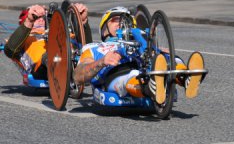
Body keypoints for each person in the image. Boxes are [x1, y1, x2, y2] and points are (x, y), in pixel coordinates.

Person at [73, 6, 206, 105]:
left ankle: (185, 77)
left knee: (169, 58)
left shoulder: (140, 42)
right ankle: (150, 86)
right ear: (104, 29)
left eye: (126, 20)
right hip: (115, 75)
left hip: (144, 66)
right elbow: (77, 76)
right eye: (114, 20)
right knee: (131, 75)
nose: (120, 23)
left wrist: (157, 51)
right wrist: (102, 61)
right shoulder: (94, 48)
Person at [3, 3, 91, 81]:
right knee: (52, 55)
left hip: (72, 57)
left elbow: (87, 47)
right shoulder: (24, 38)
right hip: (42, 66)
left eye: (43, 16)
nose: (41, 19)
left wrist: (82, 22)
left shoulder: (63, 33)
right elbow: (10, 50)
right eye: (37, 17)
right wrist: (30, 21)